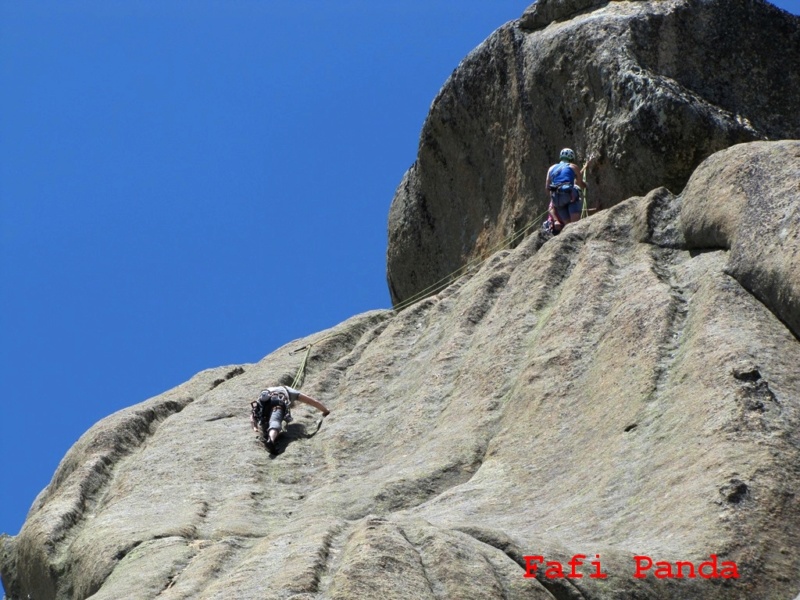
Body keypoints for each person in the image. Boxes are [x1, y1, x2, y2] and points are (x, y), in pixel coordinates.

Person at [251, 385, 330, 453]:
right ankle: (271, 440)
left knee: (267, 419)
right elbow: (312, 401)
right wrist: (325, 411)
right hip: (277, 402)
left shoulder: (267, 391)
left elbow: (253, 413)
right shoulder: (289, 390)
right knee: (275, 420)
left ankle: (268, 433)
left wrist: (255, 427)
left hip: (263, 405)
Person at [545, 148, 587, 226]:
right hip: (569, 195)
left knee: (568, 225)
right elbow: (579, 184)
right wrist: (586, 185)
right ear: (572, 158)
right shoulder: (573, 166)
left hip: (556, 199)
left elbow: (547, 187)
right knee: (575, 224)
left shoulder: (551, 168)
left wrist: (553, 200)